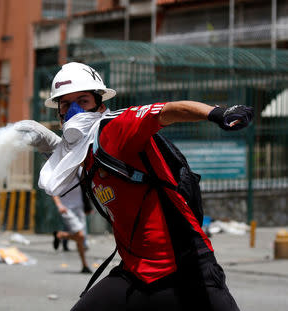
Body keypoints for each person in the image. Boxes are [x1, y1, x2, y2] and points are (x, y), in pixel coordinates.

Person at [15, 62, 254, 311]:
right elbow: (74, 168)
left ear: (100, 104)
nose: (74, 110)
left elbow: (167, 111)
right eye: (65, 104)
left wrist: (217, 113)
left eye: (83, 101)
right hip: (135, 275)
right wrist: (48, 144)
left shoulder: (116, 127)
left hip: (187, 270)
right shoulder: (82, 153)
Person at [52, 175, 92, 274]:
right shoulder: (62, 172)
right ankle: (60, 235)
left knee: (81, 239)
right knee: (81, 236)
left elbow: (84, 186)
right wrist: (59, 205)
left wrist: (88, 206)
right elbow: (53, 190)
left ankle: (84, 265)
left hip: (80, 207)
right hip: (66, 209)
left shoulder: (78, 169)